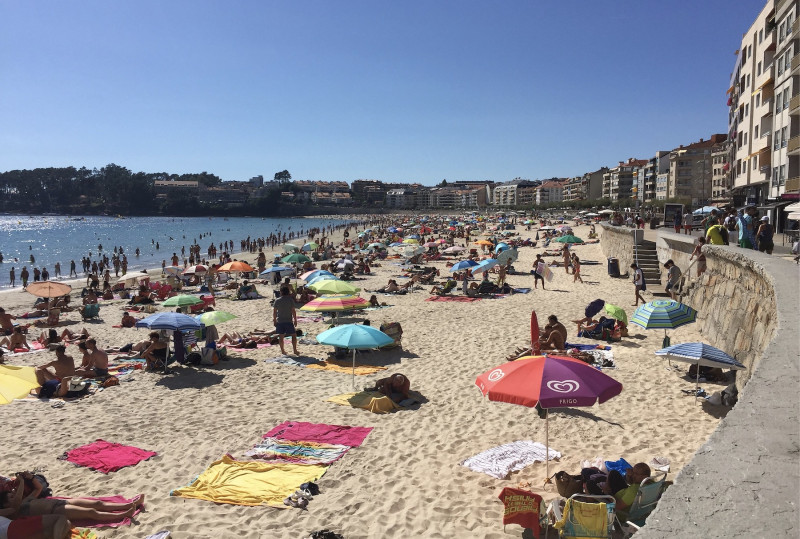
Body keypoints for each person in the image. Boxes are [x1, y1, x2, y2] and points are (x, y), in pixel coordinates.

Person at [272, 286, 299, 355]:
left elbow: (274, 312)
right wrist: (295, 320)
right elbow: (293, 311)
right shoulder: (290, 300)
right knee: (293, 335)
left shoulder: (277, 300)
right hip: (288, 321)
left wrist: (274, 320)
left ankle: (283, 351)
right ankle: (295, 350)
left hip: (280, 321)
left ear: (281, 292)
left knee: (281, 336)